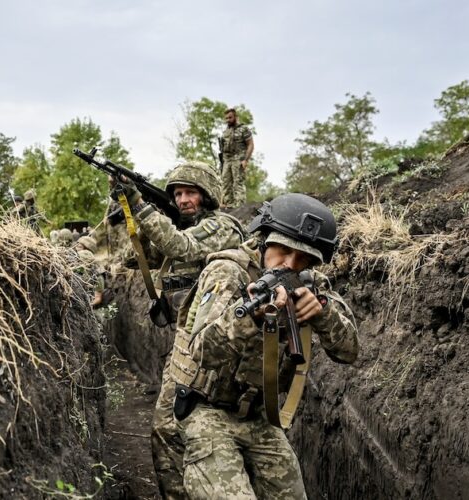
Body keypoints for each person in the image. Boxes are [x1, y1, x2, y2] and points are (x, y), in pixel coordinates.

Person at [168, 193, 359, 499]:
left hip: (260, 416)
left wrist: (323, 315)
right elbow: (202, 350)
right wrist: (251, 319)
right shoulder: (228, 272)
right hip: (208, 411)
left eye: (303, 259)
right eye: (283, 251)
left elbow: (349, 351)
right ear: (265, 241)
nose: (290, 265)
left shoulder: (311, 283)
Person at [109, 162, 245, 499]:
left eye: (190, 193)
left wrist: (140, 204)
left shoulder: (223, 227)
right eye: (177, 194)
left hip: (222, 344)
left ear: (207, 195)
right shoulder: (179, 227)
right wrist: (134, 211)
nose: (183, 199)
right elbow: (135, 257)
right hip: (189, 340)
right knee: (167, 429)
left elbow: (181, 247)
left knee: (181, 427)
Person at [219, 108, 254, 209]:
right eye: (226, 118)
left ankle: (240, 207)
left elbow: (250, 145)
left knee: (238, 183)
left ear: (235, 117)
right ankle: (229, 207)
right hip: (227, 160)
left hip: (238, 159)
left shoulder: (244, 129)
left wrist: (246, 160)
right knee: (225, 183)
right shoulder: (226, 131)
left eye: (230, 117)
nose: (228, 120)